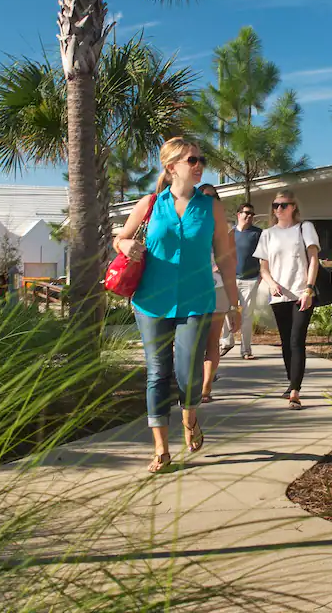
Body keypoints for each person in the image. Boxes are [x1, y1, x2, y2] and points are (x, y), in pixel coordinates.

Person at [113, 138, 241, 473]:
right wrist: (125, 246)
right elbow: (121, 237)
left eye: (201, 160)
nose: (199, 165)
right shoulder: (150, 203)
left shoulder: (211, 207)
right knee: (157, 372)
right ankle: (161, 449)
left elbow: (225, 257)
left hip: (197, 300)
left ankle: (190, 416)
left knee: (188, 371)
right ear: (172, 167)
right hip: (151, 301)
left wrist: (233, 301)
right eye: (192, 160)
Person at [253, 189, 319, 410]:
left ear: (293, 207)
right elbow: (263, 268)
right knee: (285, 342)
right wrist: (271, 283)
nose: (278, 209)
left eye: (283, 205)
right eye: (275, 205)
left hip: (302, 293)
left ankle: (295, 392)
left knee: (296, 340)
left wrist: (309, 289)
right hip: (278, 295)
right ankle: (292, 381)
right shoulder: (267, 234)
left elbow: (313, 260)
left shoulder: (304, 228)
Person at [197, 183, 228, 403]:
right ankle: (195, 383)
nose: (208, 200)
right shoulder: (188, 222)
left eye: (213, 196)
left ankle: (206, 387)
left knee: (212, 341)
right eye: (204, 196)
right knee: (192, 341)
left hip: (218, 287)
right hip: (193, 290)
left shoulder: (223, 226)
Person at [221, 200, 262, 360]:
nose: (250, 216)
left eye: (252, 214)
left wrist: (260, 276)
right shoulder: (230, 234)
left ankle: (246, 350)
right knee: (225, 310)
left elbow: (264, 256)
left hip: (250, 280)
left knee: (246, 315)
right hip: (230, 280)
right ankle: (226, 342)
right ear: (239, 215)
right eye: (247, 213)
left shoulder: (257, 234)